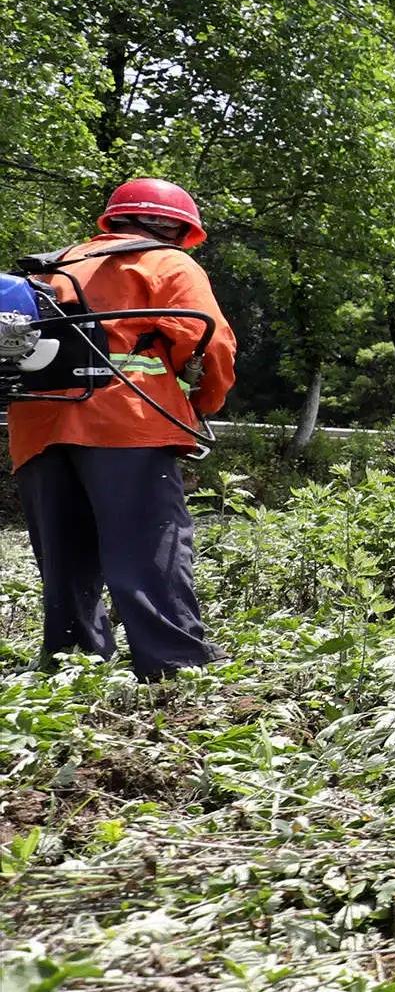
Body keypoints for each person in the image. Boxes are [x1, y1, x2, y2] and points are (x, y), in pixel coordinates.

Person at [9, 178, 235, 680]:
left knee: (65, 556)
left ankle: (73, 666)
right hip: (125, 423)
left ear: (115, 219)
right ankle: (175, 665)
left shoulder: (55, 266)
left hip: (36, 423)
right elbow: (210, 341)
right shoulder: (167, 262)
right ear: (177, 227)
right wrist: (203, 402)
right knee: (148, 548)